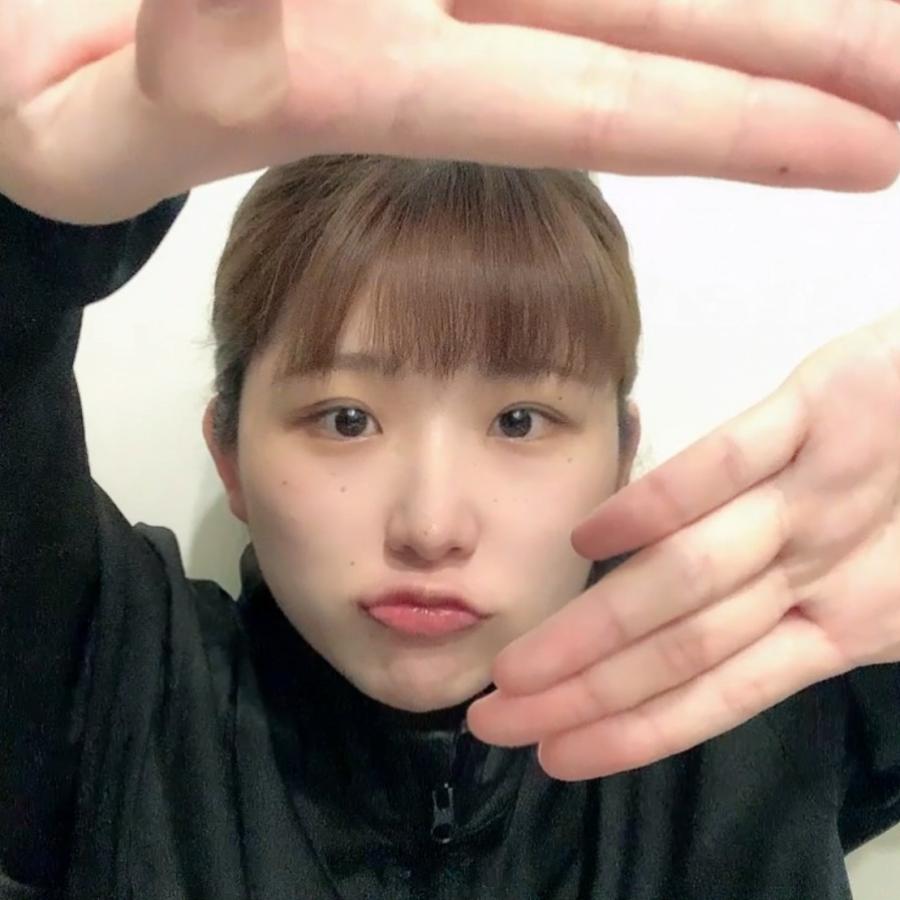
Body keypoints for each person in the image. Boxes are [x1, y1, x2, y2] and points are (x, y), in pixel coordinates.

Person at [2, 2, 899, 899]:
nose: (431, 528)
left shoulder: (774, 680)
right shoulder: (114, 686)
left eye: (519, 422)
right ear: (228, 452)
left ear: (621, 455)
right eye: (346, 420)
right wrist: (26, 222)